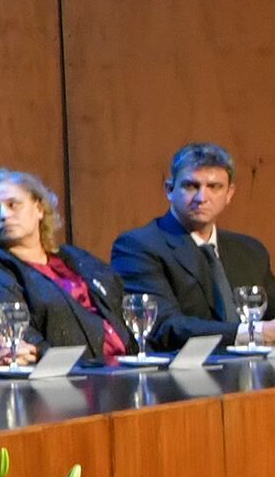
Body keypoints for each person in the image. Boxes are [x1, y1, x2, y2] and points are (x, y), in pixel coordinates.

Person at [111, 143, 275, 343]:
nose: (202, 198)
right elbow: (164, 326)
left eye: (214, 187)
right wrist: (255, 332)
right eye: (191, 186)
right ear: (170, 189)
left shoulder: (250, 250)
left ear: (229, 193)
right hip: (181, 370)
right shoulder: (137, 246)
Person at [0, 170, 129, 362]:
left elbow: (124, 308)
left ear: (39, 208)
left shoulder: (74, 257)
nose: (4, 215)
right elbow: (14, 326)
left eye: (13, 205)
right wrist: (45, 355)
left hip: (124, 364)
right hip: (70, 373)